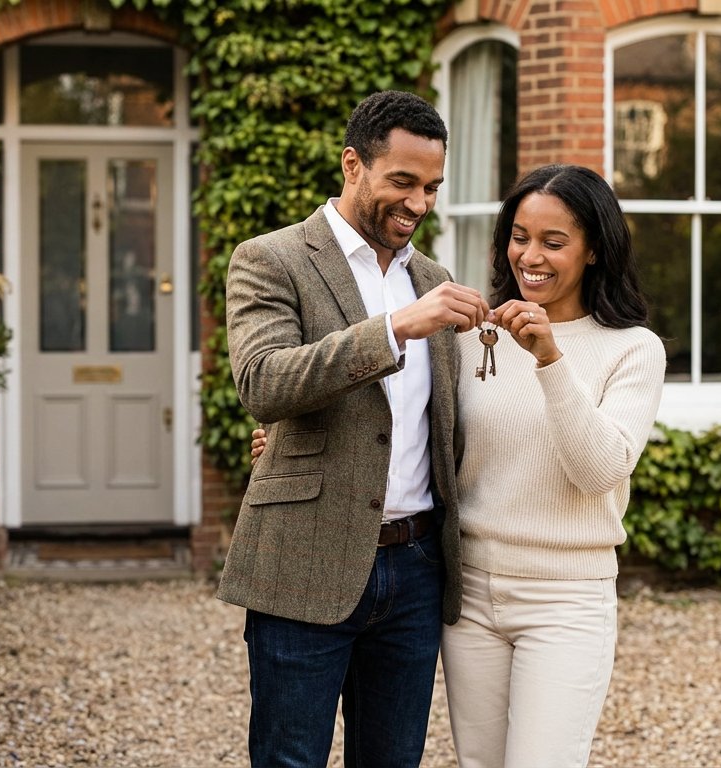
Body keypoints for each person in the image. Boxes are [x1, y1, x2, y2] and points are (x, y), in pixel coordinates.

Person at [252, 163, 666, 767]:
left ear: (595, 250)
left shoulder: (631, 348)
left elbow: (601, 468)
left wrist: (550, 359)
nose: (532, 256)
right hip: (468, 594)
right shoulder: (474, 335)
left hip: (566, 599)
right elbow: (413, 426)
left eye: (555, 242)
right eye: (519, 236)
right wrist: (286, 445)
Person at [218, 90, 489, 768]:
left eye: (431, 186)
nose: (419, 203)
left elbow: (447, 421)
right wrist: (396, 327)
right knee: (290, 760)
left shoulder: (433, 277)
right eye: (403, 181)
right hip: (304, 555)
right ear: (353, 164)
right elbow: (263, 382)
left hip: (418, 566)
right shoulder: (272, 258)